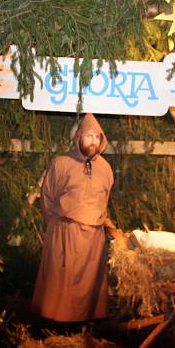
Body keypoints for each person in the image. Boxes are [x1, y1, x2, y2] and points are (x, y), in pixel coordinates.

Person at [31, 113, 116, 322]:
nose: (93, 141)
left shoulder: (105, 168)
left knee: (88, 285)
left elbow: (105, 199)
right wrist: (58, 225)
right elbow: (47, 197)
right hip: (65, 233)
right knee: (62, 285)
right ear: (78, 137)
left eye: (97, 136)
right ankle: (56, 326)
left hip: (93, 238)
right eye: (89, 136)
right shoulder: (61, 163)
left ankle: (85, 324)